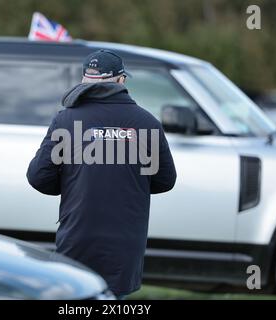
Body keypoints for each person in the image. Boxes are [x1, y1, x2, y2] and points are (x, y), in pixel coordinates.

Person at [26, 49, 177, 298]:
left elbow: (39, 178)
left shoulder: (65, 121)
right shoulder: (147, 123)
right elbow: (165, 180)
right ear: (120, 80)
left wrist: (75, 181)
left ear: (85, 79)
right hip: (125, 244)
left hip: (77, 238)